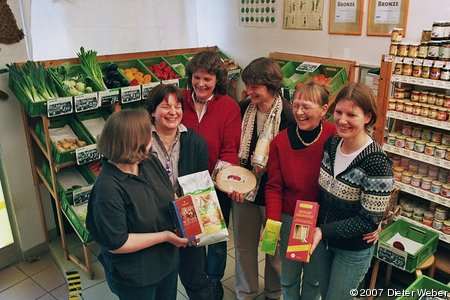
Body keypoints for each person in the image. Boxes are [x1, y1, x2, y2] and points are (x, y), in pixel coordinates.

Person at [86, 109, 188, 300]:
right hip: (137, 277)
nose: (152, 136)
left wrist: (188, 217)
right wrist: (165, 236)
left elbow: (170, 194)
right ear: (134, 142)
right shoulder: (108, 188)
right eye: (148, 133)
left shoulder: (148, 162)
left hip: (166, 264)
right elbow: (118, 243)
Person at [305, 82, 394, 300]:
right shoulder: (332, 144)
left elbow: (368, 220)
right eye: (338, 112)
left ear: (368, 117)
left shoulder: (377, 163)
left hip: (352, 250)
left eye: (351, 114)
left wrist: (322, 230)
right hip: (323, 244)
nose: (342, 120)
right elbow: (323, 194)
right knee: (325, 294)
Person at [228, 57, 295, 300]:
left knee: (273, 248)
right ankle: (245, 293)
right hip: (244, 191)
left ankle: (274, 293)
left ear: (271, 86)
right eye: (248, 85)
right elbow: (235, 148)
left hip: (274, 196)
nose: (248, 91)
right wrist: (233, 182)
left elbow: (291, 160)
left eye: (255, 86)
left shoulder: (288, 114)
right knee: (244, 246)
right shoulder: (244, 107)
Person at [265, 81, 337, 300]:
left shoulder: (335, 136)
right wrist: (272, 223)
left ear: (324, 110)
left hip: (321, 221)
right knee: (289, 278)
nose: (299, 112)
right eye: (296, 105)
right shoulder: (280, 142)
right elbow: (274, 187)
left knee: (314, 280)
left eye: (306, 106)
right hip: (289, 218)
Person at [181, 50, 241, 299]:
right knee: (190, 234)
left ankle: (214, 280)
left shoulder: (229, 106)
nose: (201, 84)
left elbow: (229, 148)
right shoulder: (180, 101)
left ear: (218, 80)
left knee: (215, 237)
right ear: (190, 77)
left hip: (216, 184)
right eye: (197, 77)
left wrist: (218, 182)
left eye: (208, 79)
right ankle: (196, 279)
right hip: (183, 183)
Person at [146, 83, 214, 300]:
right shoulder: (140, 142)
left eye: (177, 106)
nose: (173, 112)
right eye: (166, 106)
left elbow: (201, 188)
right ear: (152, 111)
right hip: (154, 223)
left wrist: (199, 224)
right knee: (161, 284)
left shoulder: (195, 142)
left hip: (188, 220)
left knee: (196, 279)